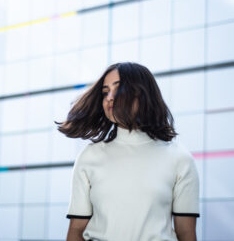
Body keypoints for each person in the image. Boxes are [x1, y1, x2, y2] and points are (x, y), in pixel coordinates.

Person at [55, 62, 200, 241]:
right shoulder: (89, 156)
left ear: (142, 94)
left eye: (118, 89)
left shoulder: (180, 158)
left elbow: (186, 233)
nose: (110, 97)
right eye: (105, 92)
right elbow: (76, 231)